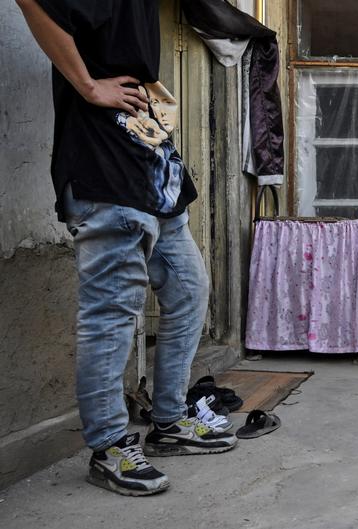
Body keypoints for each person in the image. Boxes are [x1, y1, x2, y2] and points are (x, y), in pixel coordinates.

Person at [15, 0, 236, 496]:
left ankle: (169, 421)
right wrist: (89, 85)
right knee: (111, 312)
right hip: (101, 163)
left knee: (187, 289)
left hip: (146, 154)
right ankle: (110, 445)